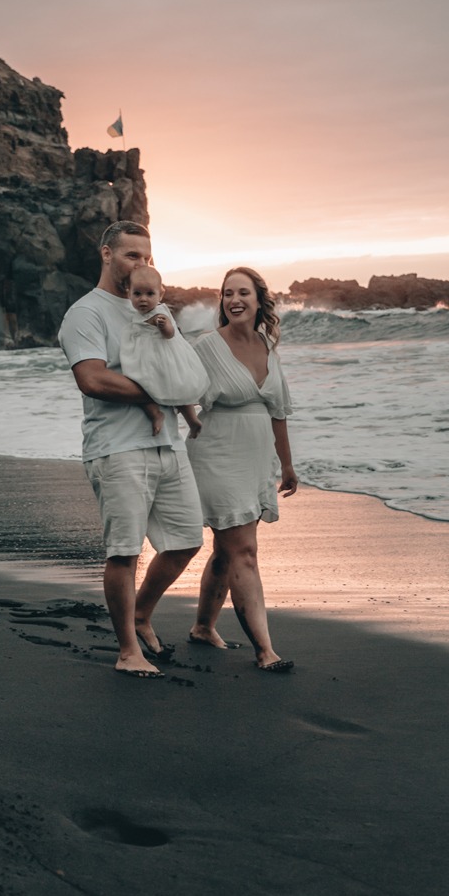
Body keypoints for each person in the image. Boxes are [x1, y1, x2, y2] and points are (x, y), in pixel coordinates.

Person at [58, 220, 204, 679]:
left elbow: (179, 368)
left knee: (185, 541)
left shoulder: (154, 310)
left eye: (146, 257)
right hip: (117, 449)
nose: (140, 265)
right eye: (130, 255)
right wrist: (151, 395)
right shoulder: (86, 313)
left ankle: (140, 614)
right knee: (123, 552)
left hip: (167, 443)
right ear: (106, 254)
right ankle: (126, 650)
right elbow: (93, 379)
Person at [186, 266, 298, 671]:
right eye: (227, 293)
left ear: (258, 300)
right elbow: (176, 389)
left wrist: (286, 464)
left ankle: (202, 627)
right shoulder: (205, 346)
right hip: (216, 454)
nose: (234, 300)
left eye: (243, 293)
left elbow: (279, 411)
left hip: (254, 459)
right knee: (245, 552)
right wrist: (188, 423)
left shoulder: (268, 346)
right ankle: (266, 651)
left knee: (226, 548)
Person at [121, 264, 208, 438]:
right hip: (145, 357)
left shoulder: (160, 312)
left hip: (163, 358)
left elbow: (170, 334)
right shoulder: (135, 314)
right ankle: (156, 414)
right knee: (139, 385)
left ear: (160, 294)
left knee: (179, 388)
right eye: (137, 294)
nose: (143, 299)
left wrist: (165, 326)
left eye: (150, 294)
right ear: (129, 293)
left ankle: (192, 421)